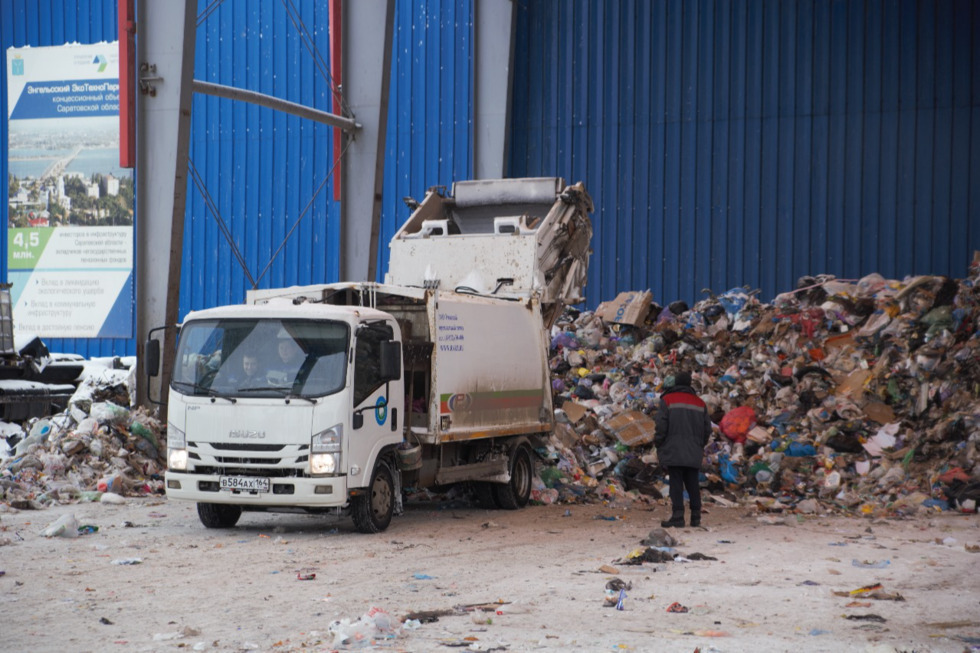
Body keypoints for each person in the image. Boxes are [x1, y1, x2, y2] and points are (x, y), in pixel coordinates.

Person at [654, 371, 713, 528]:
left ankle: (678, 516)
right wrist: (700, 444)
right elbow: (708, 429)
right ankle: (695, 517)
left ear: (675, 384)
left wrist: (658, 443)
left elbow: (661, 426)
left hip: (673, 448)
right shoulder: (700, 403)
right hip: (694, 449)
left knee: (676, 482)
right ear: (689, 384)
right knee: (693, 482)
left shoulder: (667, 400)